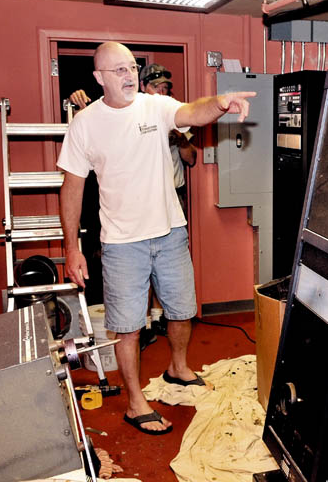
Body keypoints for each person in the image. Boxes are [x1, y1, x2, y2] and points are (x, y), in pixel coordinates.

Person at [58, 41, 255, 435]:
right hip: (121, 243)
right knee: (127, 327)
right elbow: (72, 186)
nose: (129, 74)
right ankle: (135, 404)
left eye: (132, 66)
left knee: (182, 310)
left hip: (169, 233)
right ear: (99, 77)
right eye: (119, 70)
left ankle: (178, 368)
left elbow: (190, 112)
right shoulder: (85, 124)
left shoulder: (154, 106)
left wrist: (220, 102)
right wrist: (71, 247)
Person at [70, 62, 198, 342]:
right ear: (143, 87)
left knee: (172, 282)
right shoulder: (113, 116)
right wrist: (73, 100)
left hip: (171, 203)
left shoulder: (166, 113)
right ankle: (148, 322)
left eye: (165, 87)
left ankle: (160, 323)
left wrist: (180, 139)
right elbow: (95, 121)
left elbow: (192, 158)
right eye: (156, 86)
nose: (162, 91)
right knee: (137, 284)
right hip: (127, 218)